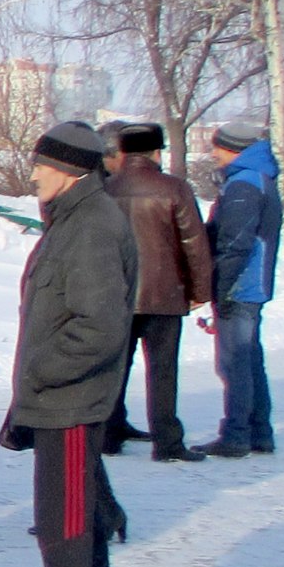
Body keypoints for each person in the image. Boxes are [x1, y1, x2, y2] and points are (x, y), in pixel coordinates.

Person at [0, 122, 137, 567]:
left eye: (42, 166)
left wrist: (41, 371)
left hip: (71, 400)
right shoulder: (74, 220)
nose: (33, 175)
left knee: (66, 524)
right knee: (80, 518)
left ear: (71, 171)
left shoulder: (92, 226)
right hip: (61, 398)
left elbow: (99, 327)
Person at [100, 122, 214, 462]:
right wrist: (200, 291)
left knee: (116, 366)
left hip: (117, 294)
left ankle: (110, 433)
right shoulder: (174, 188)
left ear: (121, 151)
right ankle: (166, 441)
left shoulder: (106, 189)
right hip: (165, 294)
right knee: (163, 370)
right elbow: (194, 243)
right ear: (157, 152)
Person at [197, 121, 280, 458]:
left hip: (240, 285)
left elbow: (234, 243)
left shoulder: (244, 184)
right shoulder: (258, 177)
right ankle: (259, 432)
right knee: (249, 360)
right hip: (252, 283)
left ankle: (236, 435)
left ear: (233, 148)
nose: (214, 153)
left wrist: (220, 287)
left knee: (234, 362)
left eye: (217, 147)